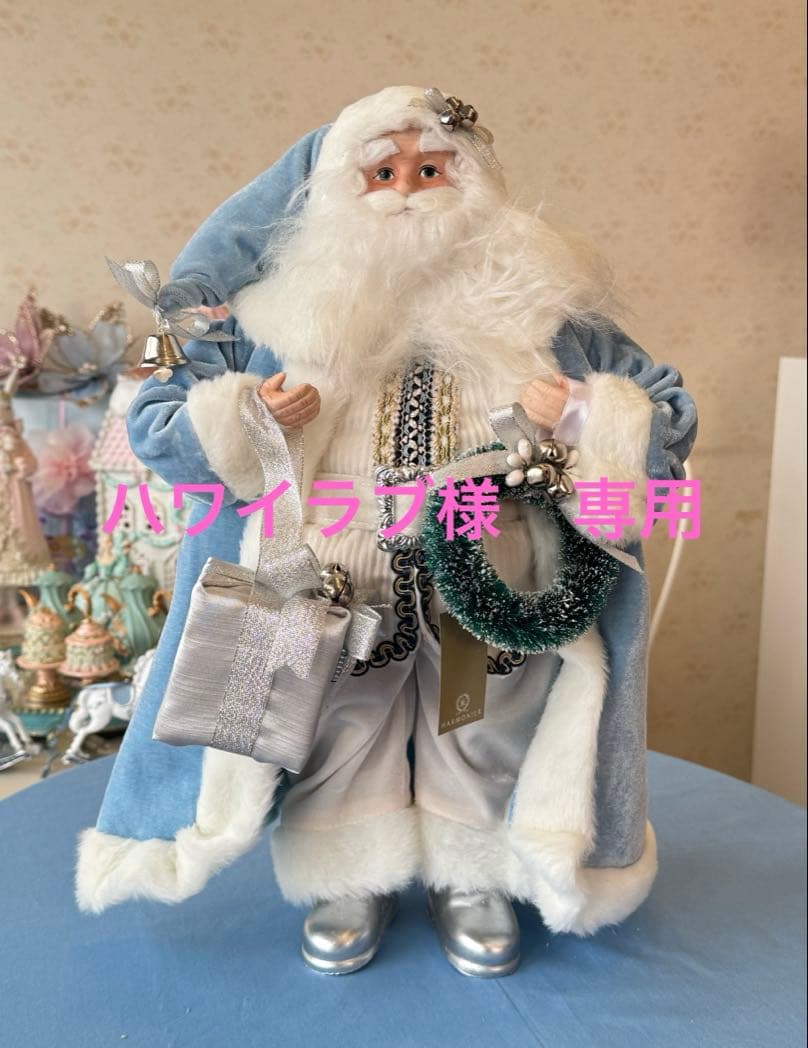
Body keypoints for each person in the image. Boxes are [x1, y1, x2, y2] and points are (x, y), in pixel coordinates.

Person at [76, 86, 697, 979]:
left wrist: (584, 412)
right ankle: (347, 870)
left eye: (431, 168)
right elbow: (160, 418)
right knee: (339, 718)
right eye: (383, 171)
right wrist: (250, 416)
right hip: (335, 564)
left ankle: (471, 871)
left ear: (472, 179)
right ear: (341, 188)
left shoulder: (542, 307)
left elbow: (666, 412)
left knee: (479, 718)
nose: (407, 189)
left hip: (489, 558)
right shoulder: (277, 314)